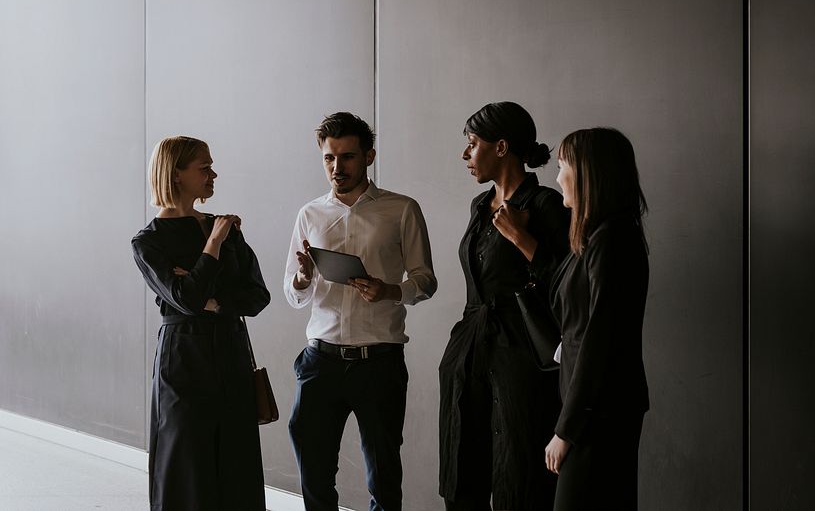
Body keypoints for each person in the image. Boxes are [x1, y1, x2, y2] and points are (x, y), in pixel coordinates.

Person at [285, 112, 437, 511]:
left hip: (379, 364)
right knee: (314, 475)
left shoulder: (402, 210)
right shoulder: (309, 214)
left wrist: (391, 290)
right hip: (321, 362)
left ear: (369, 156)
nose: (337, 168)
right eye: (329, 158)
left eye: (348, 157)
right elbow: (293, 293)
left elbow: (425, 280)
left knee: (384, 477)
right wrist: (303, 277)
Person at [439, 101, 569, 510]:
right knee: (463, 464)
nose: (465, 154)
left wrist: (521, 239)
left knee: (519, 472)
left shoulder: (546, 205)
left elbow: (568, 285)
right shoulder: (479, 207)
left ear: (500, 147)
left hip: (521, 356)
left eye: (472, 144)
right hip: (470, 349)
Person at [131, 136, 270, 511]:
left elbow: (257, 297)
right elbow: (187, 300)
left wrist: (211, 300)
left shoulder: (225, 226)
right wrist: (214, 245)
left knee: (236, 468)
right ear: (176, 175)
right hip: (182, 363)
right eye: (204, 167)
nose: (214, 174)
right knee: (186, 469)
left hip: (230, 355)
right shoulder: (148, 242)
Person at [544, 127, 650, 510]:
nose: (557, 179)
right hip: (593, 409)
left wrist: (566, 431)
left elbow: (600, 342)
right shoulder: (595, 238)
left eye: (563, 167)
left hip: (600, 415)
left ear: (589, 173)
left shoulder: (613, 241)